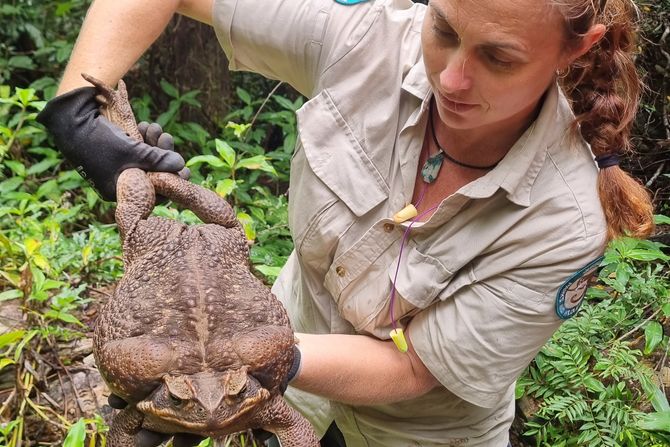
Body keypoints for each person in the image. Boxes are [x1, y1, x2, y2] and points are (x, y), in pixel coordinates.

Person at [36, 0, 656, 445]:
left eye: (499, 58)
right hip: (275, 368)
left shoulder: (566, 219)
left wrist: (239, 360)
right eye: (444, 29)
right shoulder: (369, 41)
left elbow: (415, 368)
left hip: (413, 431)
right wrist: (77, 115)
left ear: (579, 47)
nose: (453, 76)